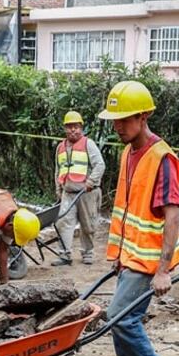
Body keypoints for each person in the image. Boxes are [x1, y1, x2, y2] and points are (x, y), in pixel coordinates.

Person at [97, 80, 179, 356]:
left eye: (124, 119)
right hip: (130, 256)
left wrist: (163, 270)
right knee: (119, 318)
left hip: (148, 259)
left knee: (120, 318)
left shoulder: (162, 158)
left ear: (143, 116)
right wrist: (120, 255)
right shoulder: (127, 153)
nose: (117, 127)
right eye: (114, 120)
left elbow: (172, 216)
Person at [52, 110, 106, 267]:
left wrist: (91, 181)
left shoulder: (88, 144)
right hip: (68, 193)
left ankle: (88, 253)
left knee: (88, 225)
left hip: (87, 192)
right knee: (63, 222)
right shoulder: (60, 147)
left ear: (81, 128)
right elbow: (58, 170)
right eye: (69, 127)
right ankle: (64, 255)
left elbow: (100, 165)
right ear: (65, 128)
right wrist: (58, 189)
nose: (73, 130)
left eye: (76, 126)